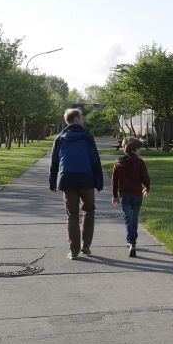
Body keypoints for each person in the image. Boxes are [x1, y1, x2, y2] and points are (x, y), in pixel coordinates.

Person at [49, 108, 104, 259]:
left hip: (67, 179)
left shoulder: (60, 138)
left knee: (72, 215)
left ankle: (74, 251)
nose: (84, 119)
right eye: (82, 117)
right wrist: (99, 181)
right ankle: (86, 246)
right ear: (76, 119)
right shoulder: (87, 137)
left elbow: (54, 162)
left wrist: (52, 182)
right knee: (89, 210)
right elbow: (94, 159)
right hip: (86, 178)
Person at [111, 137, 150, 257]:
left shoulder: (118, 163)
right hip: (137, 195)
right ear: (135, 149)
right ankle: (133, 241)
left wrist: (115, 195)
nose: (140, 152)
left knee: (128, 219)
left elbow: (114, 181)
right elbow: (145, 177)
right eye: (139, 149)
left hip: (125, 195)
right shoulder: (140, 162)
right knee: (134, 218)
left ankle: (131, 242)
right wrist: (147, 188)